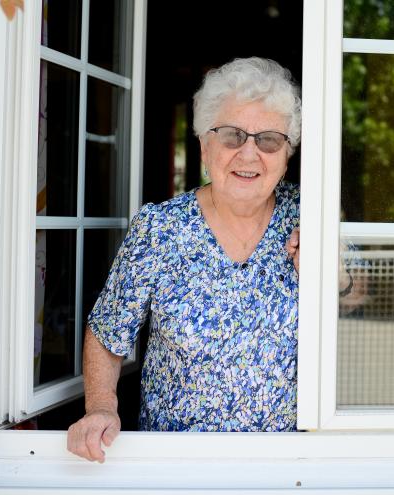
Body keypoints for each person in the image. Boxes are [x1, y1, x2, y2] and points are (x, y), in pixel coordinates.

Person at [67, 57, 303, 463]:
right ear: (204, 146)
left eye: (268, 139)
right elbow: (108, 333)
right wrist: (101, 408)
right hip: (175, 464)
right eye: (232, 136)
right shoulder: (160, 228)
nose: (249, 154)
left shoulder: (308, 216)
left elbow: (357, 300)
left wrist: (335, 276)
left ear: (287, 154)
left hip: (286, 465)